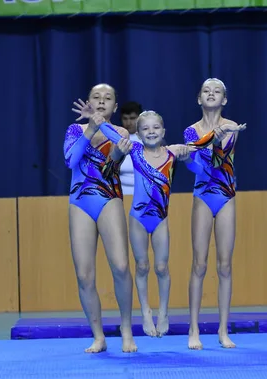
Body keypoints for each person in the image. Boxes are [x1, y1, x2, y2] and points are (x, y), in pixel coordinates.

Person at [79, 106, 202, 338]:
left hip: (160, 219)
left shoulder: (172, 152)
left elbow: (198, 166)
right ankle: (145, 311)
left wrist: (188, 158)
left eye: (156, 127)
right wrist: (95, 119)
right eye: (145, 128)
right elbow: (113, 135)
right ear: (138, 132)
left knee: (162, 267)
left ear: (164, 130)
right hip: (137, 218)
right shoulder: (134, 150)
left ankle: (163, 312)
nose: (151, 131)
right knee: (143, 266)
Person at [63, 83, 137, 353]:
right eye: (96, 97)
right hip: (80, 202)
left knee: (120, 266)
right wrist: (90, 128)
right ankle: (98, 336)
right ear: (88, 102)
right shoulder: (75, 130)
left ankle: (126, 330)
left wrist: (115, 146)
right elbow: (71, 161)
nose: (102, 101)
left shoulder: (119, 132)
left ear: (115, 107)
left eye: (108, 99)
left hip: (108, 198)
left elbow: (112, 166)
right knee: (84, 274)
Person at [182, 78, 247, 350]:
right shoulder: (190, 131)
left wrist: (214, 144)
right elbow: (198, 169)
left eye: (216, 91)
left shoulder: (232, 127)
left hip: (226, 196)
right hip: (203, 196)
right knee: (199, 264)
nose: (211, 94)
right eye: (206, 91)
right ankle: (193, 329)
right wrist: (207, 144)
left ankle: (223, 329)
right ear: (199, 99)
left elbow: (220, 161)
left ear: (224, 99)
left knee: (224, 265)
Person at [119, 102, 144, 195]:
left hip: (146, 193)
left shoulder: (151, 139)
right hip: (120, 193)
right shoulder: (115, 139)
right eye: (125, 119)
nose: (128, 123)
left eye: (132, 118)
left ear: (140, 118)